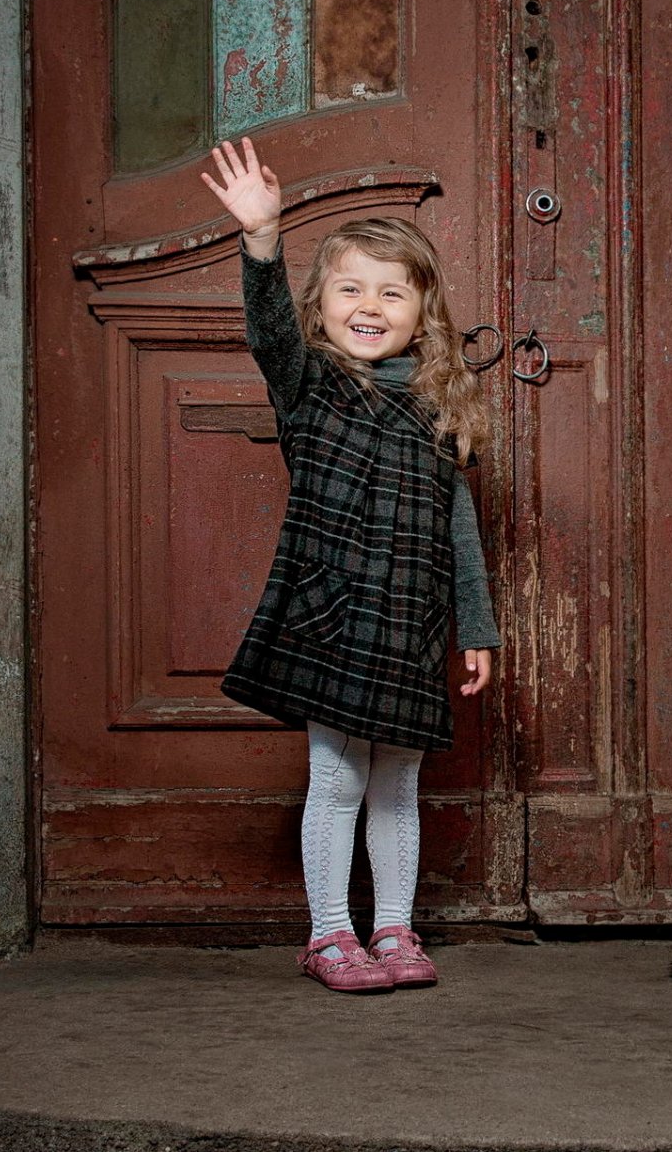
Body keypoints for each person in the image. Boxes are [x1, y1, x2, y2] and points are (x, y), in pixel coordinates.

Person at [202, 137, 500, 993]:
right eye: (350, 289)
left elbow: (459, 527)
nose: (369, 306)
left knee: (398, 780)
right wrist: (263, 237)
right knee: (336, 774)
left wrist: (474, 625)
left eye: (390, 291)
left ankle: (395, 931)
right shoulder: (309, 385)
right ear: (322, 305)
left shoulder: (438, 404)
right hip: (332, 611)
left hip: (407, 620)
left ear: (423, 310)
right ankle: (331, 934)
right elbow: (266, 330)